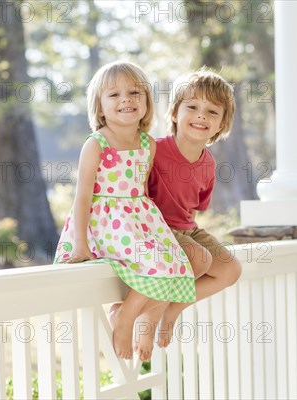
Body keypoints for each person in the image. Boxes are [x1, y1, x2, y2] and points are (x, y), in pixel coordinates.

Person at [54, 60, 197, 360]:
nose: (126, 100)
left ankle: (126, 313)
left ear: (146, 101)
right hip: (106, 221)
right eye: (114, 95)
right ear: (100, 108)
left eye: (135, 92)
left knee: (180, 266)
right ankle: (125, 318)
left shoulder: (147, 144)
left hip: (139, 217)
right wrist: (81, 243)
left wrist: (156, 230)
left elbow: (142, 190)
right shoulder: (96, 144)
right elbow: (82, 198)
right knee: (159, 265)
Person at [134, 67, 242, 360]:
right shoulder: (152, 150)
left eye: (212, 112)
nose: (201, 116)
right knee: (198, 259)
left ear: (222, 124)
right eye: (192, 107)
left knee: (230, 269)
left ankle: (174, 306)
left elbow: (195, 207)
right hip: (156, 229)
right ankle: (150, 316)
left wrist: (187, 235)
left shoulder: (208, 164)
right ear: (174, 113)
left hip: (185, 228)